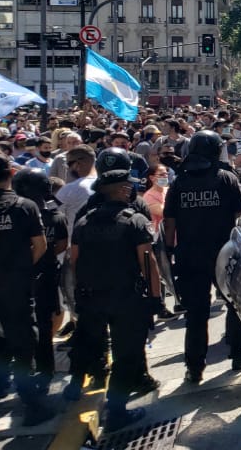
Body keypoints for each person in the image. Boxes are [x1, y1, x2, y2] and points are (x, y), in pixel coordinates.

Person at [66, 149, 162, 430]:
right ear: (122, 189)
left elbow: (74, 261)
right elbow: (149, 261)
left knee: (91, 343)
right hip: (126, 299)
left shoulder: (84, 221)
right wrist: (156, 298)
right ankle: (117, 410)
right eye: (129, 185)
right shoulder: (134, 219)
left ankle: (77, 383)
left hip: (93, 298)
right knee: (126, 354)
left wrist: (80, 295)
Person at [162, 130, 241, 383]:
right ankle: (238, 352)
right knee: (235, 304)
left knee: (196, 315)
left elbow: (170, 222)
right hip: (224, 254)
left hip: (189, 256)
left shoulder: (179, 182)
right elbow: (240, 216)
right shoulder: (226, 179)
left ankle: (194, 367)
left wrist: (169, 252)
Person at [0, 156, 54, 426]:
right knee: (23, 344)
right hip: (17, 286)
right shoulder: (25, 206)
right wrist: (21, 269)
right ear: (10, 173)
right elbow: (40, 245)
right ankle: (32, 405)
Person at [11, 168, 69, 392]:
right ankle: (45, 373)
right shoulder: (56, 216)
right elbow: (61, 245)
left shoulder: (20, 214)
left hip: (21, 279)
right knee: (45, 329)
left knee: (20, 329)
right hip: (47, 277)